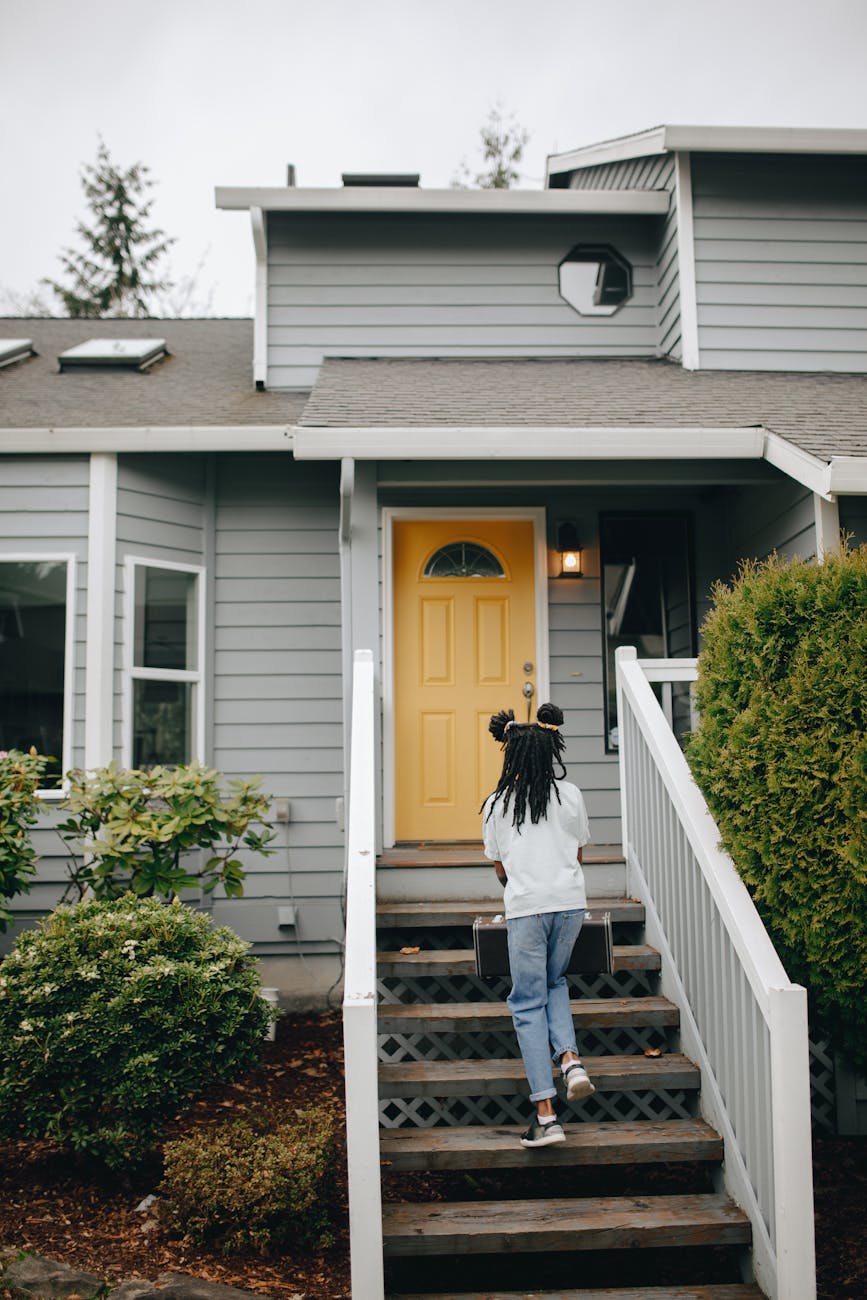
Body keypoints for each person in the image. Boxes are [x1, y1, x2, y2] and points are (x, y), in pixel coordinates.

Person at [481, 702, 595, 1149]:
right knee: (554, 981)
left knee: (527, 1003)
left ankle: (546, 1117)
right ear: (551, 750)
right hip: (570, 906)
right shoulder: (571, 795)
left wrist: (517, 882)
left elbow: (500, 867)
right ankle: (570, 1061)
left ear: (509, 755)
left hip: (527, 910)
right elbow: (579, 852)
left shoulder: (497, 804)